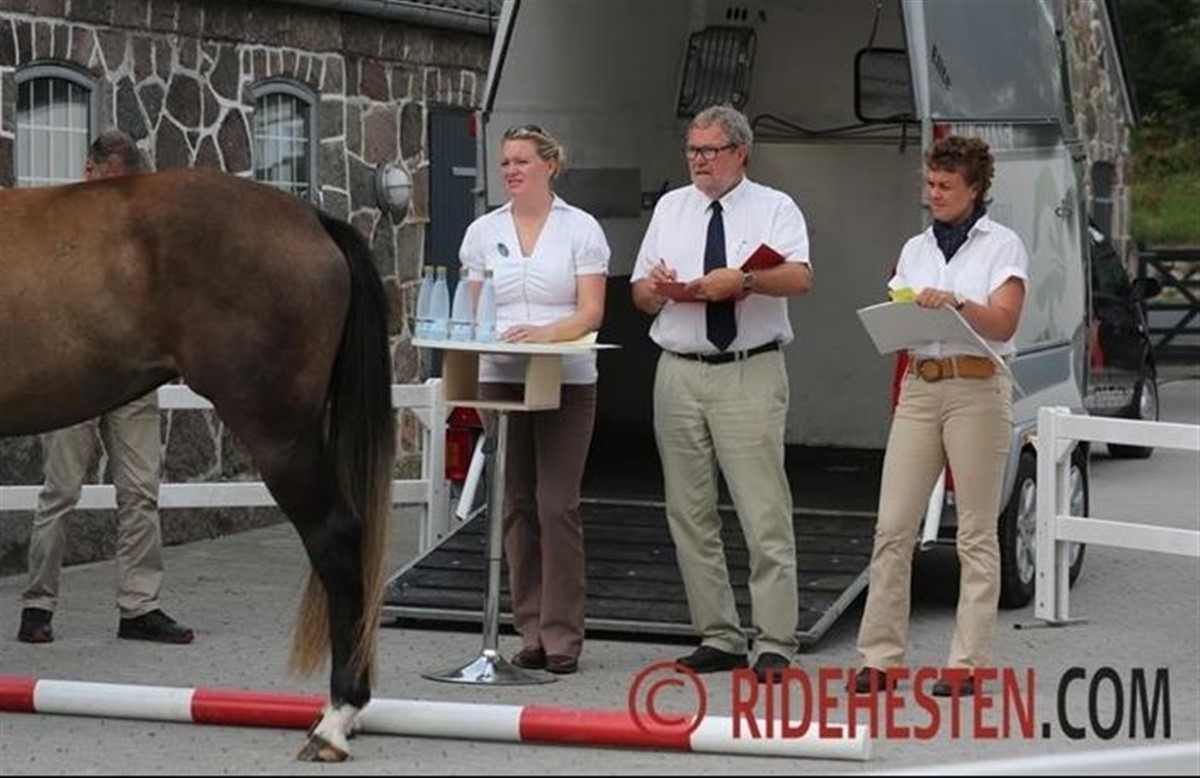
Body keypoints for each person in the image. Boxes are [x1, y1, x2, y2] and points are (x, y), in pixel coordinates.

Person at [630, 105, 813, 682]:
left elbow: (801, 276)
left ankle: (776, 639)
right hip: (679, 368)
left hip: (747, 369)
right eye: (692, 150)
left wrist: (745, 280)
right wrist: (656, 290)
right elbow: (638, 293)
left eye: (710, 151)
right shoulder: (670, 207)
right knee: (688, 510)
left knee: (763, 508)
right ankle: (719, 635)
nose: (699, 161)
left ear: (740, 153)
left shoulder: (775, 207)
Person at [853, 135, 1027, 697]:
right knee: (892, 525)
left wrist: (956, 302)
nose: (935, 194)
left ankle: (967, 663)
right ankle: (880, 658)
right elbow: (901, 312)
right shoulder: (915, 247)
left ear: (974, 189)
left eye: (946, 186)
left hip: (977, 387)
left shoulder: (1003, 245)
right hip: (921, 385)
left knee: (975, 530)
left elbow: (1004, 323)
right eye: (930, 184)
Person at [17, 131, 194, 646]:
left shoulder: (141, 226)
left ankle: (139, 607)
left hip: (132, 373)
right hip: (72, 376)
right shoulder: (59, 221)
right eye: (109, 182)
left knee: (141, 492)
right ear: (89, 170)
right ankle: (37, 604)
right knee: (61, 491)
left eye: (125, 184)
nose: (114, 194)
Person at [458, 124, 610, 675]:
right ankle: (529, 630)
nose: (511, 170)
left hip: (565, 376)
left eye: (521, 160)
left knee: (556, 502)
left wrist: (547, 334)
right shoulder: (483, 231)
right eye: (505, 162)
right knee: (515, 501)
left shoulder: (580, 228)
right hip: (501, 375)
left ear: (550, 164)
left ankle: (563, 634)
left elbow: (591, 311)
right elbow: (474, 310)